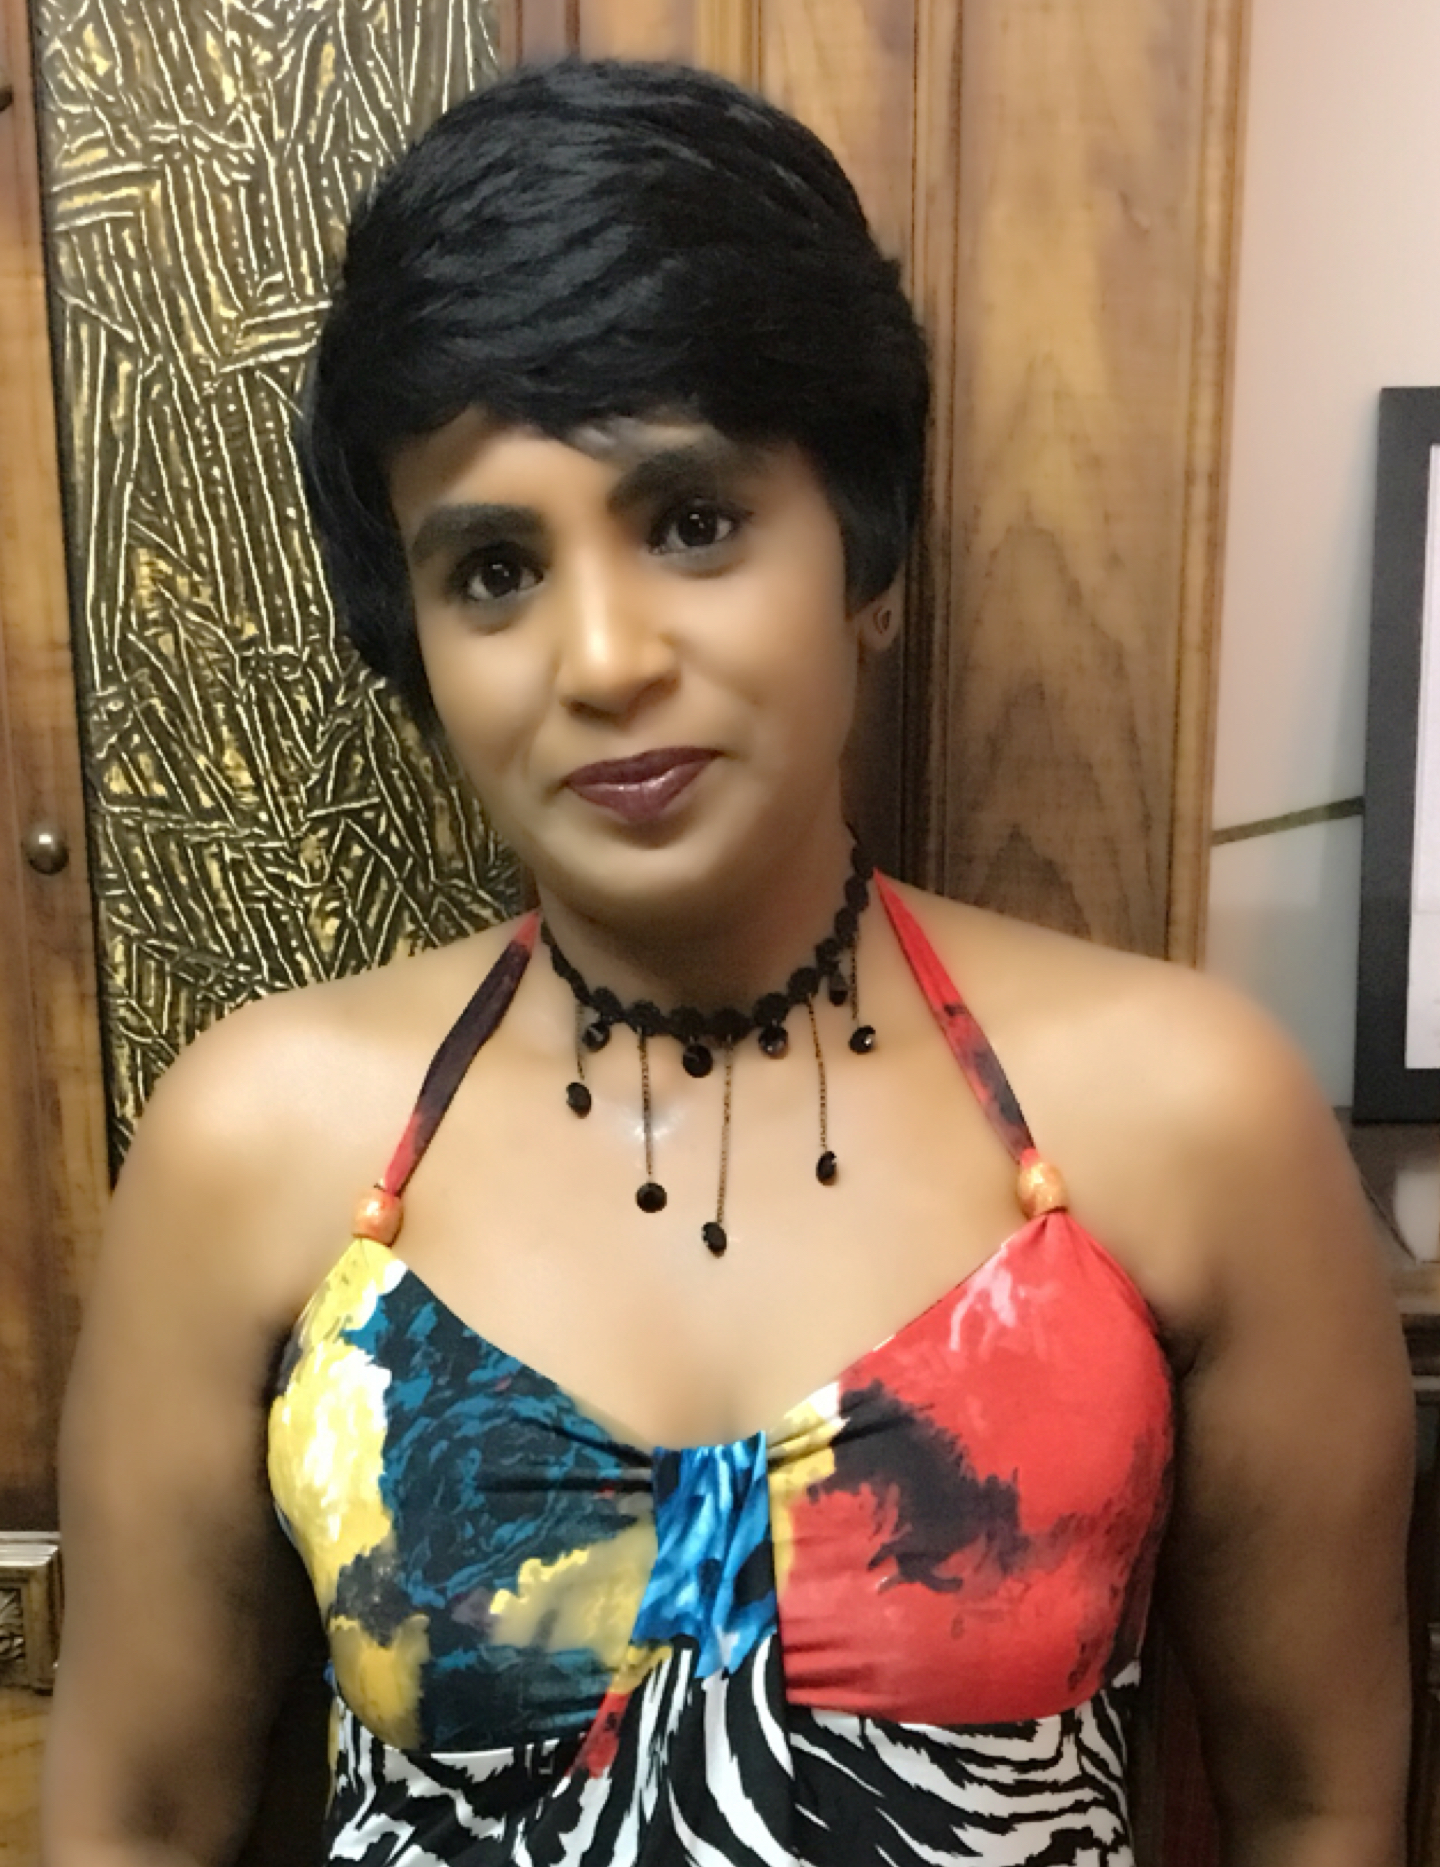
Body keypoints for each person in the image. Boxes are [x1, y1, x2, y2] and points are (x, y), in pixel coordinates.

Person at [43, 57, 1413, 1867]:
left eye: (691, 521)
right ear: (415, 642)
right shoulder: (259, 1146)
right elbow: (135, 1816)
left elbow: (1320, 1799)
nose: (604, 657)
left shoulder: (1187, 1118)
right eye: (494, 569)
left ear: (868, 556)